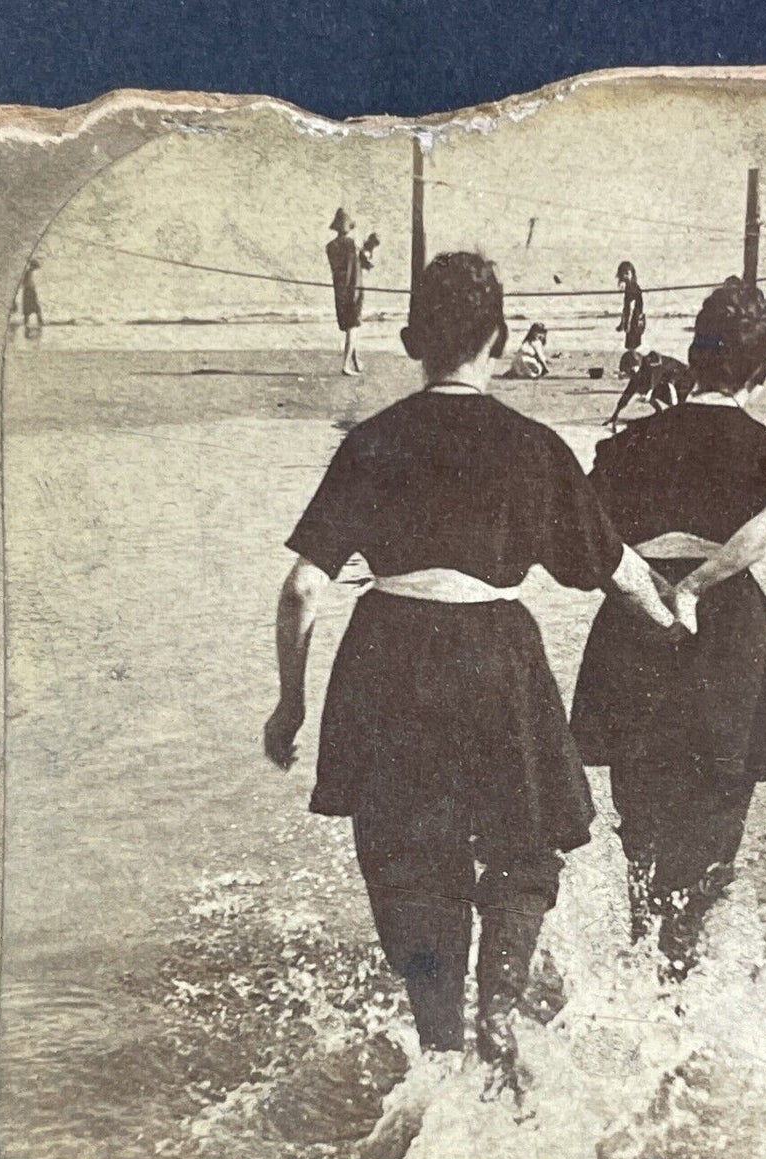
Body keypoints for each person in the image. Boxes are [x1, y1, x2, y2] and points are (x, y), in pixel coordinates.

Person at [264, 251, 681, 1082]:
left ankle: (439, 1040)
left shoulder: (373, 439)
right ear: (496, 338)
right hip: (497, 653)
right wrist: (676, 621)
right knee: (523, 842)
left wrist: (290, 706)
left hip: (386, 652)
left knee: (406, 852)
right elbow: (614, 568)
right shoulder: (531, 445)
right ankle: (498, 1001)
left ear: (415, 338)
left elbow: (303, 588)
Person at [571, 276, 766, 973]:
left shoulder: (627, 444)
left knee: (639, 828)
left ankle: (642, 968)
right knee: (712, 824)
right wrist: (700, 585)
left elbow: (587, 539)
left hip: (632, 625)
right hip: (729, 632)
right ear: (759, 370)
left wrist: (651, 587)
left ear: (693, 353)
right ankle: (686, 981)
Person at [605, 350, 693, 428]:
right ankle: (661, 413)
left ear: (635, 366)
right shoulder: (638, 373)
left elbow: (656, 379)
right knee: (644, 388)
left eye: (629, 371)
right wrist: (615, 414)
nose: (628, 374)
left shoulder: (653, 363)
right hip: (670, 380)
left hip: (684, 379)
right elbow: (628, 392)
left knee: (677, 408)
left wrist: (649, 392)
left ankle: (679, 420)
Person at [327, 208, 366, 376]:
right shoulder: (351, 244)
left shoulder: (330, 246)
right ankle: (346, 365)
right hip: (353, 288)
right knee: (354, 326)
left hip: (339, 288)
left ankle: (355, 361)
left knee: (351, 326)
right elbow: (359, 267)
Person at [616, 260, 646, 372]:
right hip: (635, 319)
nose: (624, 276)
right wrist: (622, 322)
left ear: (632, 274)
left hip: (636, 320)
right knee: (631, 344)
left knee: (632, 345)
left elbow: (631, 307)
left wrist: (627, 323)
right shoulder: (630, 287)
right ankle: (634, 366)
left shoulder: (633, 287)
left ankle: (635, 366)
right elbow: (626, 308)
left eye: (627, 274)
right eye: (622, 274)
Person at [20, 259, 43, 335]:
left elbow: (24, 283)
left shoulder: (28, 272)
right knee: (35, 309)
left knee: (29, 309)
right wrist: (32, 290)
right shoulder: (28, 273)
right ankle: (39, 323)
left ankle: (27, 323)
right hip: (29, 291)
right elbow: (27, 283)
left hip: (28, 291)